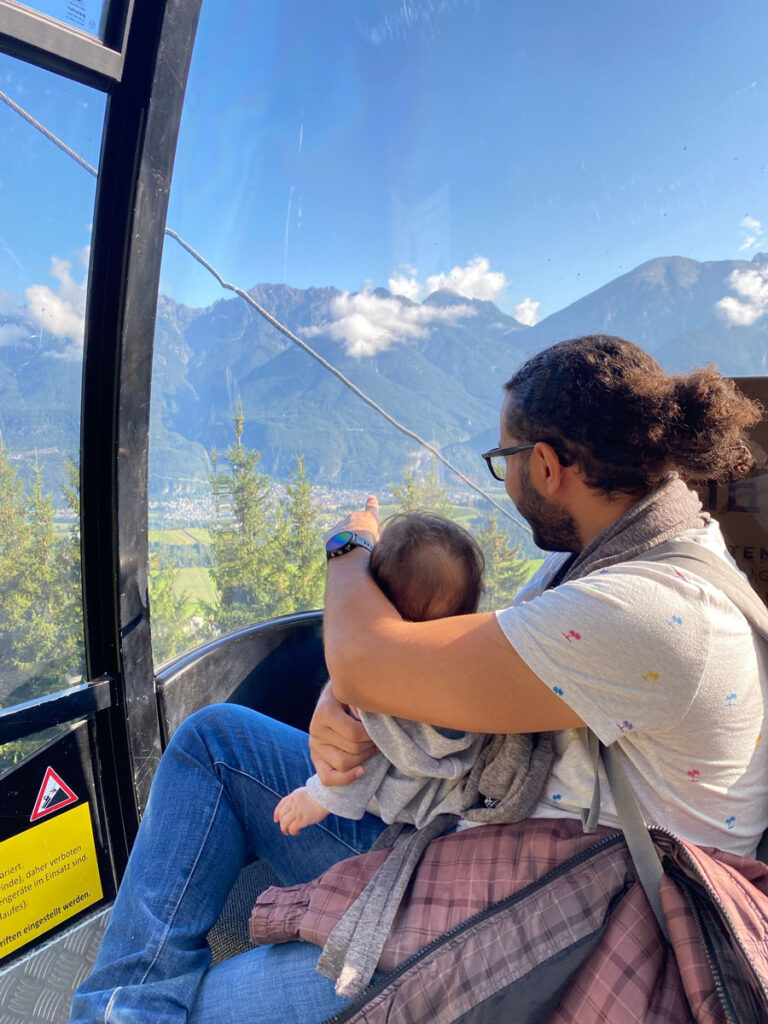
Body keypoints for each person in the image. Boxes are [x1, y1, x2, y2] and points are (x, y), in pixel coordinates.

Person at [70, 335, 768, 1024]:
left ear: (548, 464)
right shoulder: (614, 559)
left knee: (204, 1010)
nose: (507, 477)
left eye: (505, 461)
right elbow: (418, 663)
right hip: (498, 843)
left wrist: (349, 547)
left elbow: (369, 658)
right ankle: (122, 1010)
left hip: (558, 922)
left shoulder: (650, 610)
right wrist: (341, 705)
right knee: (217, 745)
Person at [274, 510, 489, 837]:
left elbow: (363, 761)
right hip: (453, 795)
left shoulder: (387, 690)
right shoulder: (475, 668)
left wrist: (317, 797)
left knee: (209, 735)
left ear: (378, 603)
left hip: (409, 809)